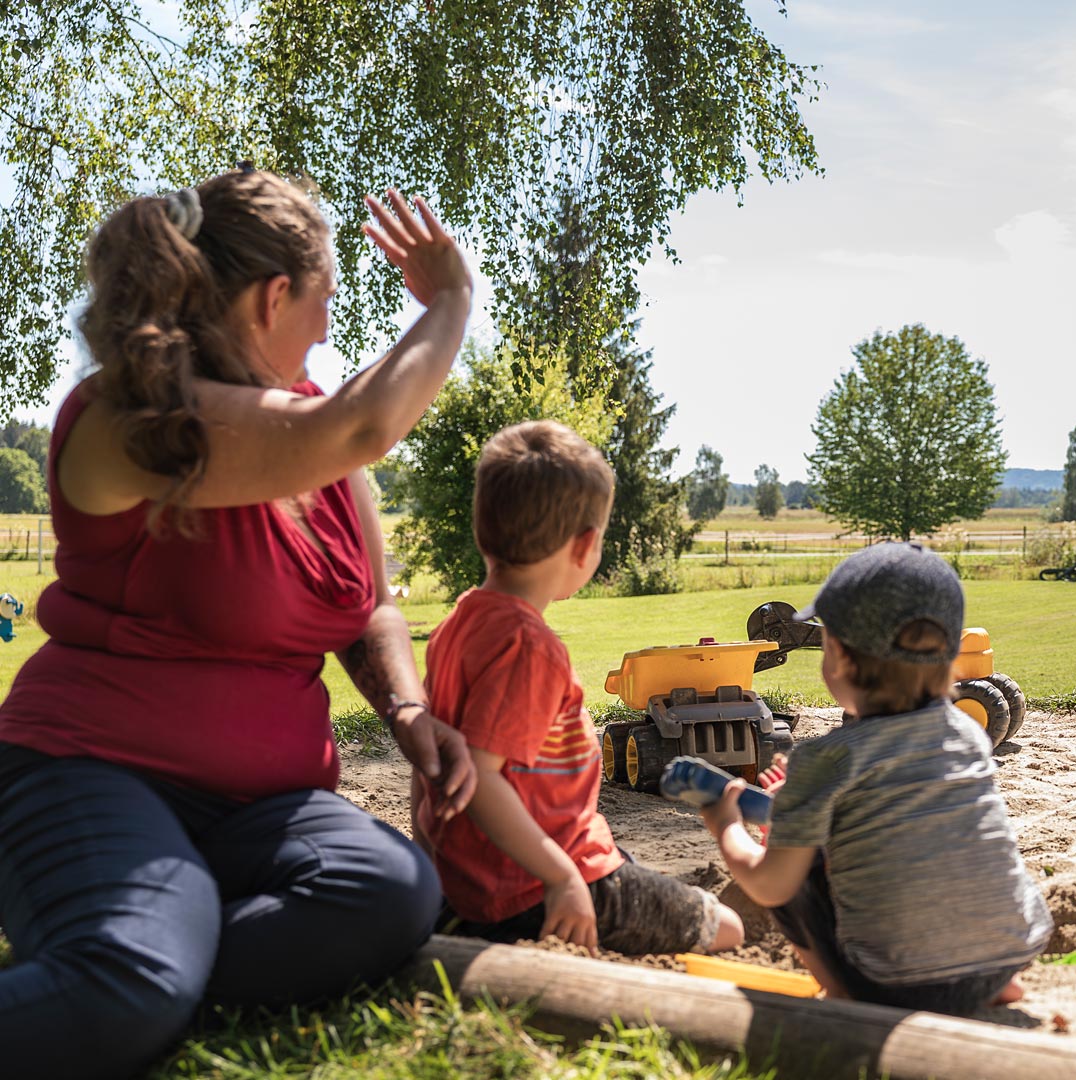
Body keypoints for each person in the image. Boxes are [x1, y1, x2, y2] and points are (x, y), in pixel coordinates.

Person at [0, 168, 477, 1078]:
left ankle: (152, 961)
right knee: (129, 983)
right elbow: (367, 425)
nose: (329, 330)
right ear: (274, 298)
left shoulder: (313, 431)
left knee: (391, 893)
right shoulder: (124, 419)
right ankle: (133, 973)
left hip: (262, 812)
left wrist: (410, 713)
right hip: (90, 770)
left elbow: (368, 604)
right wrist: (450, 298)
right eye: (324, 301)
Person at [416, 420, 744, 956]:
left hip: (473, 879)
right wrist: (561, 879)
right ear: (586, 546)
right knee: (728, 927)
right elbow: (479, 773)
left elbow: (431, 753)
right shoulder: (528, 646)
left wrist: (428, 844)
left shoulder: (458, 625)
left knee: (640, 877)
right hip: (540, 881)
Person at [697, 542, 1053, 1015]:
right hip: (1010, 954)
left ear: (839, 658)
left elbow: (770, 886)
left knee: (799, 873)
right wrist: (803, 805)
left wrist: (726, 824)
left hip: (895, 984)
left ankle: (840, 994)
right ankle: (988, 985)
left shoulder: (824, 759)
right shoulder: (967, 733)